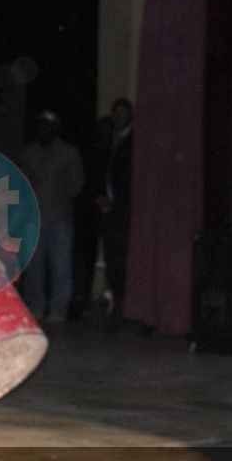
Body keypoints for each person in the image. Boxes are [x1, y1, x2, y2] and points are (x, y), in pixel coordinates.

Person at [19, 110, 85, 323]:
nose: (43, 129)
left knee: (60, 265)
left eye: (48, 126)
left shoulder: (68, 152)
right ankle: (36, 307)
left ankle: (58, 309)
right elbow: (20, 181)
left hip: (60, 218)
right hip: (33, 219)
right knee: (34, 267)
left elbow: (77, 184)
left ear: (55, 129)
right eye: (41, 125)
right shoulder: (29, 152)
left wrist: (59, 194)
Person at [95, 97, 134, 328]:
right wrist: (100, 196)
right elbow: (100, 169)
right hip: (107, 208)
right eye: (115, 112)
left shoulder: (134, 140)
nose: (118, 117)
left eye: (123, 112)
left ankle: (125, 306)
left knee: (124, 258)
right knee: (111, 257)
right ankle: (116, 302)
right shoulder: (108, 137)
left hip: (126, 208)